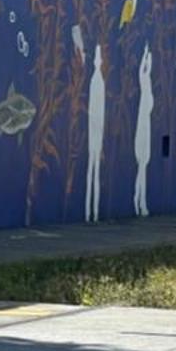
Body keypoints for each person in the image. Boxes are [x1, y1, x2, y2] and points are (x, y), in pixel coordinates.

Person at [133, 45, 154, 217]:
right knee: (141, 168)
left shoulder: (148, 84)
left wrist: (149, 55)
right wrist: (145, 54)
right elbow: (142, 71)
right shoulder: (143, 82)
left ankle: (141, 200)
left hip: (146, 128)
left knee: (144, 168)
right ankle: (139, 200)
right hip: (142, 129)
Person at [85, 45, 105, 222]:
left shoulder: (97, 81)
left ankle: (92, 212)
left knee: (93, 171)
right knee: (93, 171)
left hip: (95, 133)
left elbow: (95, 111)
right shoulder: (96, 81)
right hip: (94, 133)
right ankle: (91, 212)